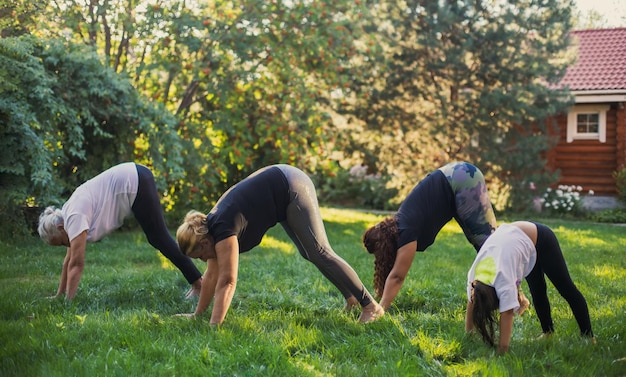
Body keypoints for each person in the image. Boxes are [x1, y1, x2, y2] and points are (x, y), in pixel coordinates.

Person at [175, 164, 385, 325]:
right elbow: (211, 276)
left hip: (291, 186)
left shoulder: (222, 229)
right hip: (279, 191)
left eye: (200, 256)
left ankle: (371, 306)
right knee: (309, 252)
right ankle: (351, 298)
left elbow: (227, 281)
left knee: (320, 251)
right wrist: (197, 315)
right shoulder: (211, 233)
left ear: (204, 242)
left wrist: (214, 325)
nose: (203, 260)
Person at [37, 162, 202, 300]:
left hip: (135, 181)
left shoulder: (74, 216)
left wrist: (68, 302)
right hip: (136, 176)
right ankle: (198, 282)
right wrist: (59, 294)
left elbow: (77, 264)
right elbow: (69, 260)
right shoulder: (67, 216)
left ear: (60, 228)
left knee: (159, 237)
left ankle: (199, 284)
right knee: (157, 238)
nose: (65, 245)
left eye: (60, 242)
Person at [362, 161, 497, 310]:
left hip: (462, 177)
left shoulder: (406, 232)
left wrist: (380, 309)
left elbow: (397, 277)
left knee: (488, 244)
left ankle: (514, 299)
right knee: (482, 244)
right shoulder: (400, 225)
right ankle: (513, 297)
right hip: (455, 177)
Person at [465, 221, 594, 354]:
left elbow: (507, 314)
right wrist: (468, 336)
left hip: (540, 237)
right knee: (537, 290)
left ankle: (588, 336)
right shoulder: (475, 281)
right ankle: (548, 333)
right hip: (517, 243)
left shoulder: (503, 284)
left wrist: (502, 351)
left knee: (566, 288)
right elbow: (472, 301)